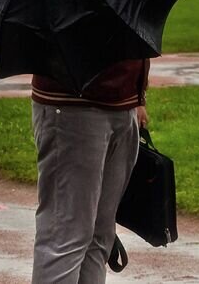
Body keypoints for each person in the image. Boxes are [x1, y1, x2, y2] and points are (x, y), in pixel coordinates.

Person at [30, 58, 149, 283]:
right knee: (64, 237)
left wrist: (139, 94)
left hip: (124, 103)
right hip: (72, 106)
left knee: (100, 236)